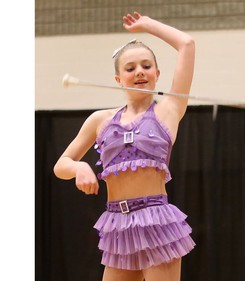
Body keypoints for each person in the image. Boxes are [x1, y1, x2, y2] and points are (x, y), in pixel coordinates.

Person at [53, 11, 195, 281]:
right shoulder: (100, 120)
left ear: (156, 73)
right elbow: (60, 165)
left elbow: (186, 44)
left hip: (156, 220)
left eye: (146, 65)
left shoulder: (169, 110)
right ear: (118, 79)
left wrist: (149, 25)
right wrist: (78, 167)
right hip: (117, 223)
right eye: (130, 68)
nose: (139, 71)